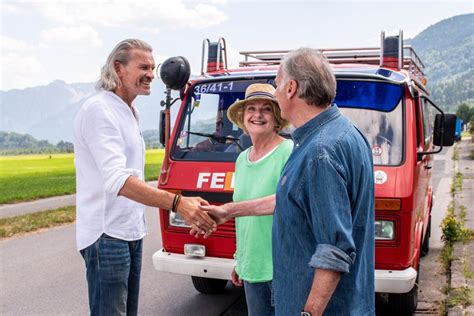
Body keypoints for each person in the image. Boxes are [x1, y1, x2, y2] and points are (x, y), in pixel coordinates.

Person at [198, 48, 375, 315]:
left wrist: (308, 313)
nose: (276, 91)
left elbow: (334, 250)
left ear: (291, 88)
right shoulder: (348, 133)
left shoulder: (319, 152)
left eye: (277, 84)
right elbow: (298, 202)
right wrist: (230, 214)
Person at [73, 39, 216, 316]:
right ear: (119, 68)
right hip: (107, 234)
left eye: (153, 66)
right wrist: (178, 203)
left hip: (129, 231)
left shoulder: (130, 110)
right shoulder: (99, 110)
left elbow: (131, 175)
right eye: (143, 67)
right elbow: (118, 181)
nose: (152, 73)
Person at [225, 83, 293, 315]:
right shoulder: (242, 159)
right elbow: (245, 220)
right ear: (243, 117)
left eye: (266, 109)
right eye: (251, 109)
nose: (257, 115)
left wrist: (228, 210)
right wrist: (240, 259)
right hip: (252, 268)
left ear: (276, 117)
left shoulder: (289, 152)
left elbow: (287, 201)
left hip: (281, 271)